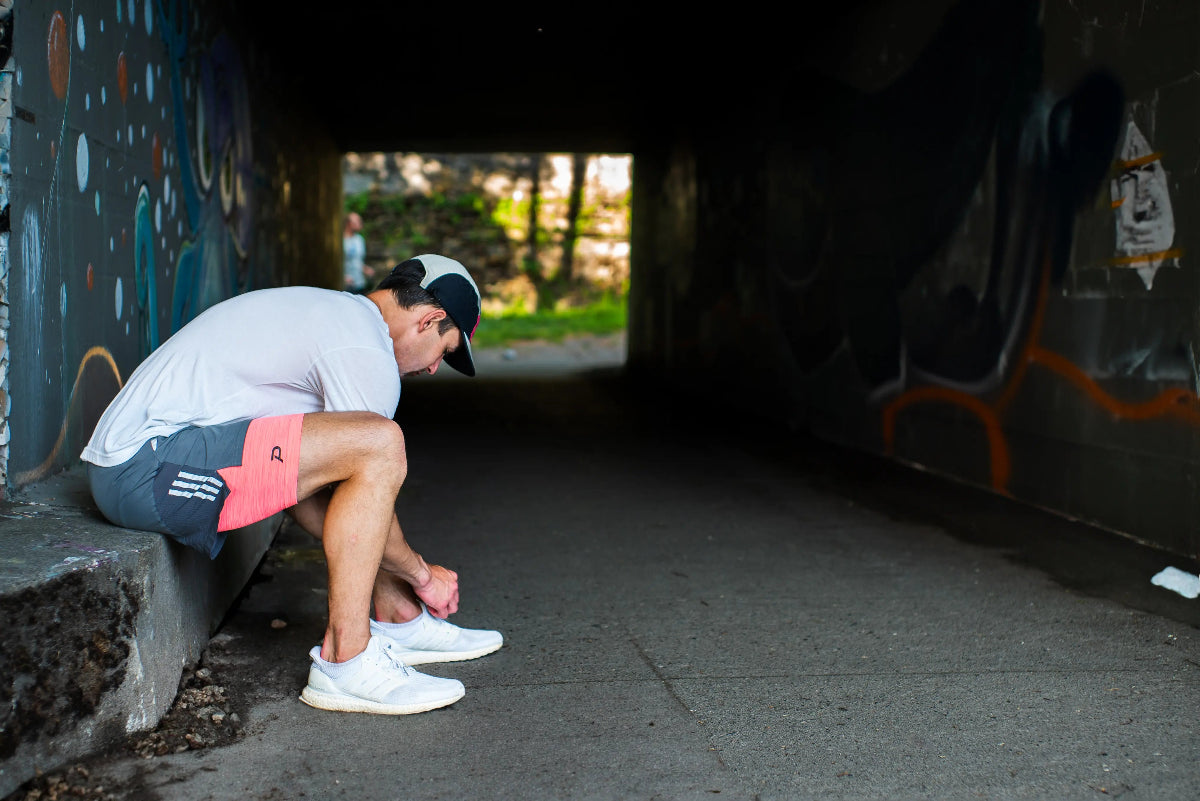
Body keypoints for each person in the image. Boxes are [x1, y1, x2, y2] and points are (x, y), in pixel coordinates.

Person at [81, 254, 502, 715]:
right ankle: (347, 658)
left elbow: (316, 492)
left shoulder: (337, 317)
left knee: (358, 459)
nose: (433, 368)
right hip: (145, 467)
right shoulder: (363, 350)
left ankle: (399, 619)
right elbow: (371, 468)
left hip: (140, 463)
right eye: (444, 351)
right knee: (381, 443)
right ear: (429, 319)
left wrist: (408, 585)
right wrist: (423, 575)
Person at [343, 212, 369, 292]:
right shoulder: (341, 241)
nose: (360, 223)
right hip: (346, 285)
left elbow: (359, 260)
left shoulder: (359, 239)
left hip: (360, 283)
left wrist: (365, 269)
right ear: (348, 223)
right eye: (357, 221)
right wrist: (342, 277)